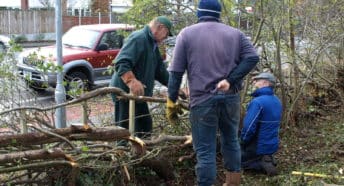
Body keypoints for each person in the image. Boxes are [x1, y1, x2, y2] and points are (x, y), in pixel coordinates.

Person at [166, 0, 259, 185]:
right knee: (231, 141)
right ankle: (233, 183)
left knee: (205, 150)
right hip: (230, 98)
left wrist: (171, 100)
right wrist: (230, 80)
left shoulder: (187, 34)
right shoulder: (235, 33)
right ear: (218, 14)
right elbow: (252, 57)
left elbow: (176, 73)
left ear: (199, 13)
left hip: (202, 101)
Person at [110, 16, 173, 138]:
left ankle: (140, 150)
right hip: (124, 93)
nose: (166, 37)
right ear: (160, 27)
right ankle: (122, 152)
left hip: (138, 94)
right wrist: (131, 81)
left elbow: (160, 71)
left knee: (144, 126)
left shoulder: (152, 44)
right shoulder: (139, 38)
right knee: (125, 129)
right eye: (166, 34)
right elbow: (121, 63)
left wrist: (174, 87)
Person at [240, 72, 282, 176]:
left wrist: (242, 141)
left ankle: (260, 163)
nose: (254, 82)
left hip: (257, 146)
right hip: (271, 145)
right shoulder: (277, 101)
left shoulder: (258, 102)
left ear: (265, 83)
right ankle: (266, 159)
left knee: (234, 157)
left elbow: (248, 128)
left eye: (257, 80)